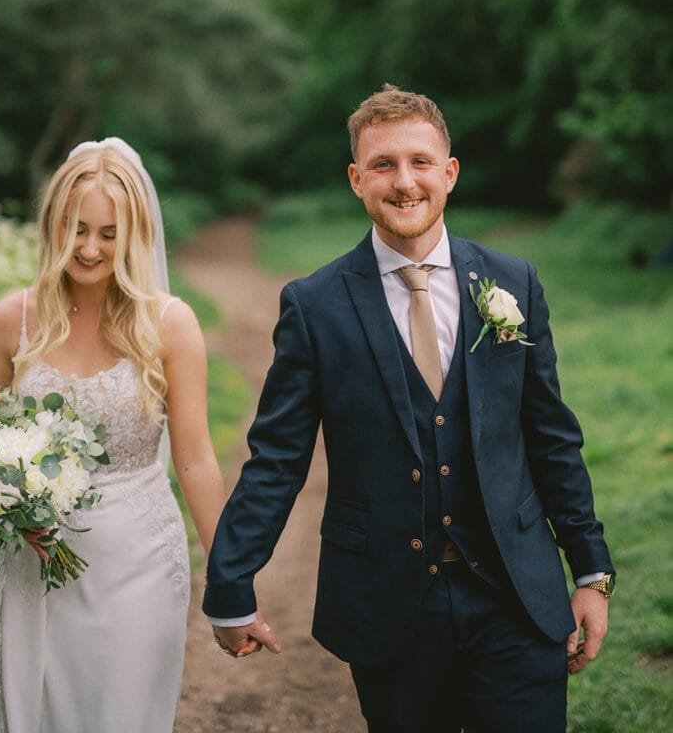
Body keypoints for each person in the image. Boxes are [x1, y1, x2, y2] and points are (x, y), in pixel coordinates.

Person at [203, 86, 615, 733]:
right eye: (383, 165)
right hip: (389, 605)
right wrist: (230, 584)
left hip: (515, 596)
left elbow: (550, 439)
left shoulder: (514, 284)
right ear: (355, 179)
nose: (404, 182)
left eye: (420, 162)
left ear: (448, 173)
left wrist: (590, 571)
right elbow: (277, 460)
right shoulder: (314, 307)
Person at [0, 137, 226, 733]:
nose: (89, 247)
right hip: (28, 566)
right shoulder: (14, 318)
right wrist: (8, 505)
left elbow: (197, 460)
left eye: (108, 233)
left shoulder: (170, 324)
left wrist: (231, 575)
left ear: (134, 235)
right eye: (75, 229)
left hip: (138, 563)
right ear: (53, 226)